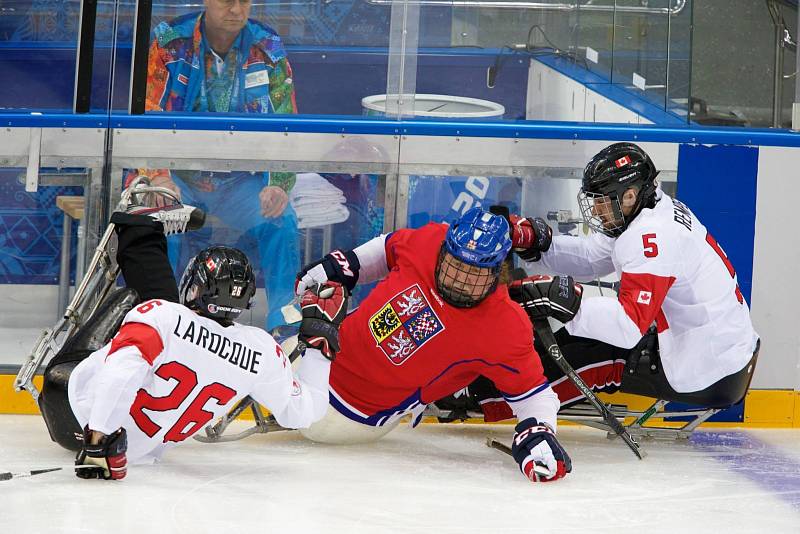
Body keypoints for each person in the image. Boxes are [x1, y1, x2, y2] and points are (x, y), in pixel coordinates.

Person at [36, 179, 346, 480]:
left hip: (71, 403)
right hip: (135, 449)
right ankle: (143, 229)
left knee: (131, 301)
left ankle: (139, 228)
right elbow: (305, 413)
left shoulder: (163, 315)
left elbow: (120, 372)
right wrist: (321, 344)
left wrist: (100, 439)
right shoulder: (261, 350)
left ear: (195, 287)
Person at [473, 142, 760, 418]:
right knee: (572, 338)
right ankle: (487, 384)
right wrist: (540, 244)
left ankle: (480, 397)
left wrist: (564, 301)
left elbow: (627, 327)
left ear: (630, 195)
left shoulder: (653, 235)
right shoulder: (649, 210)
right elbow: (590, 256)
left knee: (585, 356)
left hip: (709, 368)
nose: (596, 211)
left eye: (602, 202)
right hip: (714, 348)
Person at [293, 207, 576, 483]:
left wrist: (540, 430)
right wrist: (349, 264)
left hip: (349, 416)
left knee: (273, 376)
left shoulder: (506, 327)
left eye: (474, 273)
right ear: (445, 249)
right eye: (455, 264)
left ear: (497, 272)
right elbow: (387, 249)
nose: (459, 280)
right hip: (314, 355)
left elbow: (534, 393)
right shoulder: (430, 240)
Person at [130, 0, 300, 333]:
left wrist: (278, 182)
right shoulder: (170, 42)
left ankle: (286, 330)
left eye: (244, 0)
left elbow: (287, 125)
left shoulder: (268, 48)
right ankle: (155, 323)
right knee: (161, 221)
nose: (236, 9)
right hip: (180, 177)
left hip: (239, 182)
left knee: (282, 223)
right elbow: (146, 116)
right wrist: (159, 176)